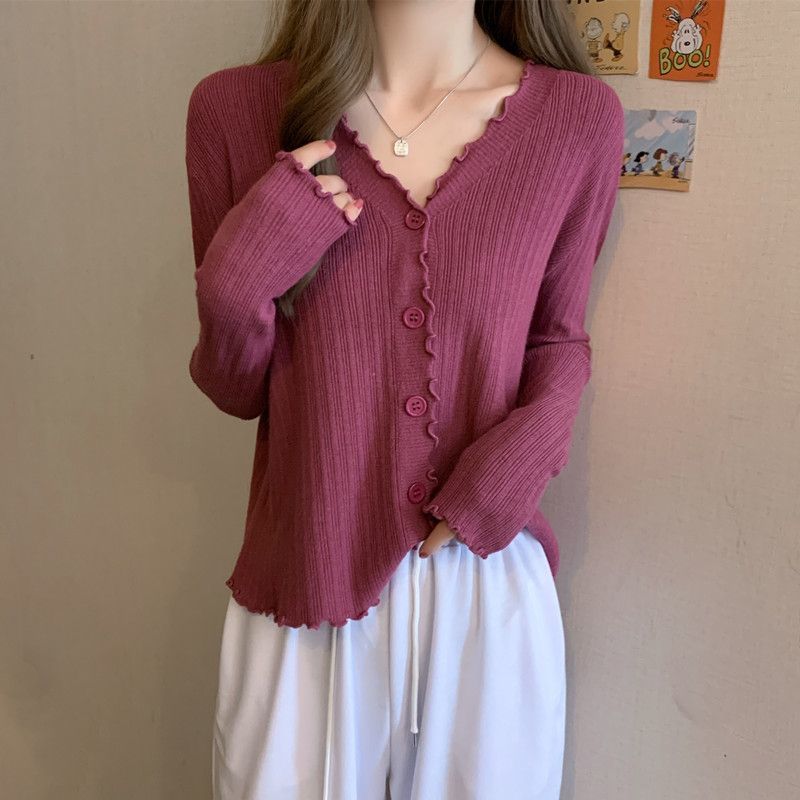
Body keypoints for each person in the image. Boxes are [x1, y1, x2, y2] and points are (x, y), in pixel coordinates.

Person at [184, 2, 624, 798]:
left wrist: (509, 472)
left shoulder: (576, 118)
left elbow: (557, 339)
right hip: (307, 585)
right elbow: (236, 389)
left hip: (483, 582)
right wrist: (235, 283)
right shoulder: (235, 111)